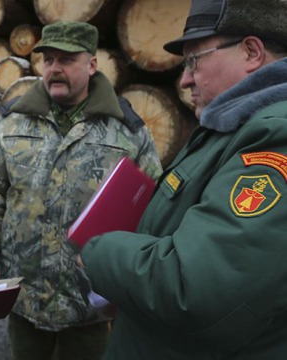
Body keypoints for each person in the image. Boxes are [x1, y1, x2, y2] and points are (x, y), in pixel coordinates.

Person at [79, 0, 287, 358]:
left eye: (194, 60)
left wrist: (97, 251)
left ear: (252, 52)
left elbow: (194, 289)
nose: (185, 78)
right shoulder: (229, 126)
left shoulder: (273, 136)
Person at [0, 21, 162, 360]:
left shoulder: (126, 131)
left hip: (91, 304)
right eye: (48, 60)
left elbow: (152, 207)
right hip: (24, 297)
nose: (55, 69)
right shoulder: (12, 123)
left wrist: (128, 279)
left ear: (92, 64)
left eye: (67, 60)